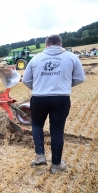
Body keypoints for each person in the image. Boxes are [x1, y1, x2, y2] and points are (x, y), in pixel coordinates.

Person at [22, 34, 85, 174]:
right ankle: (56, 165)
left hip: (39, 98)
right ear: (60, 45)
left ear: (46, 45)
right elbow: (80, 78)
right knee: (57, 130)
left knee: (37, 125)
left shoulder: (36, 58)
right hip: (61, 99)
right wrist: (64, 86)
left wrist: (39, 88)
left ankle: (40, 156)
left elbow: (26, 80)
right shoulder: (71, 57)